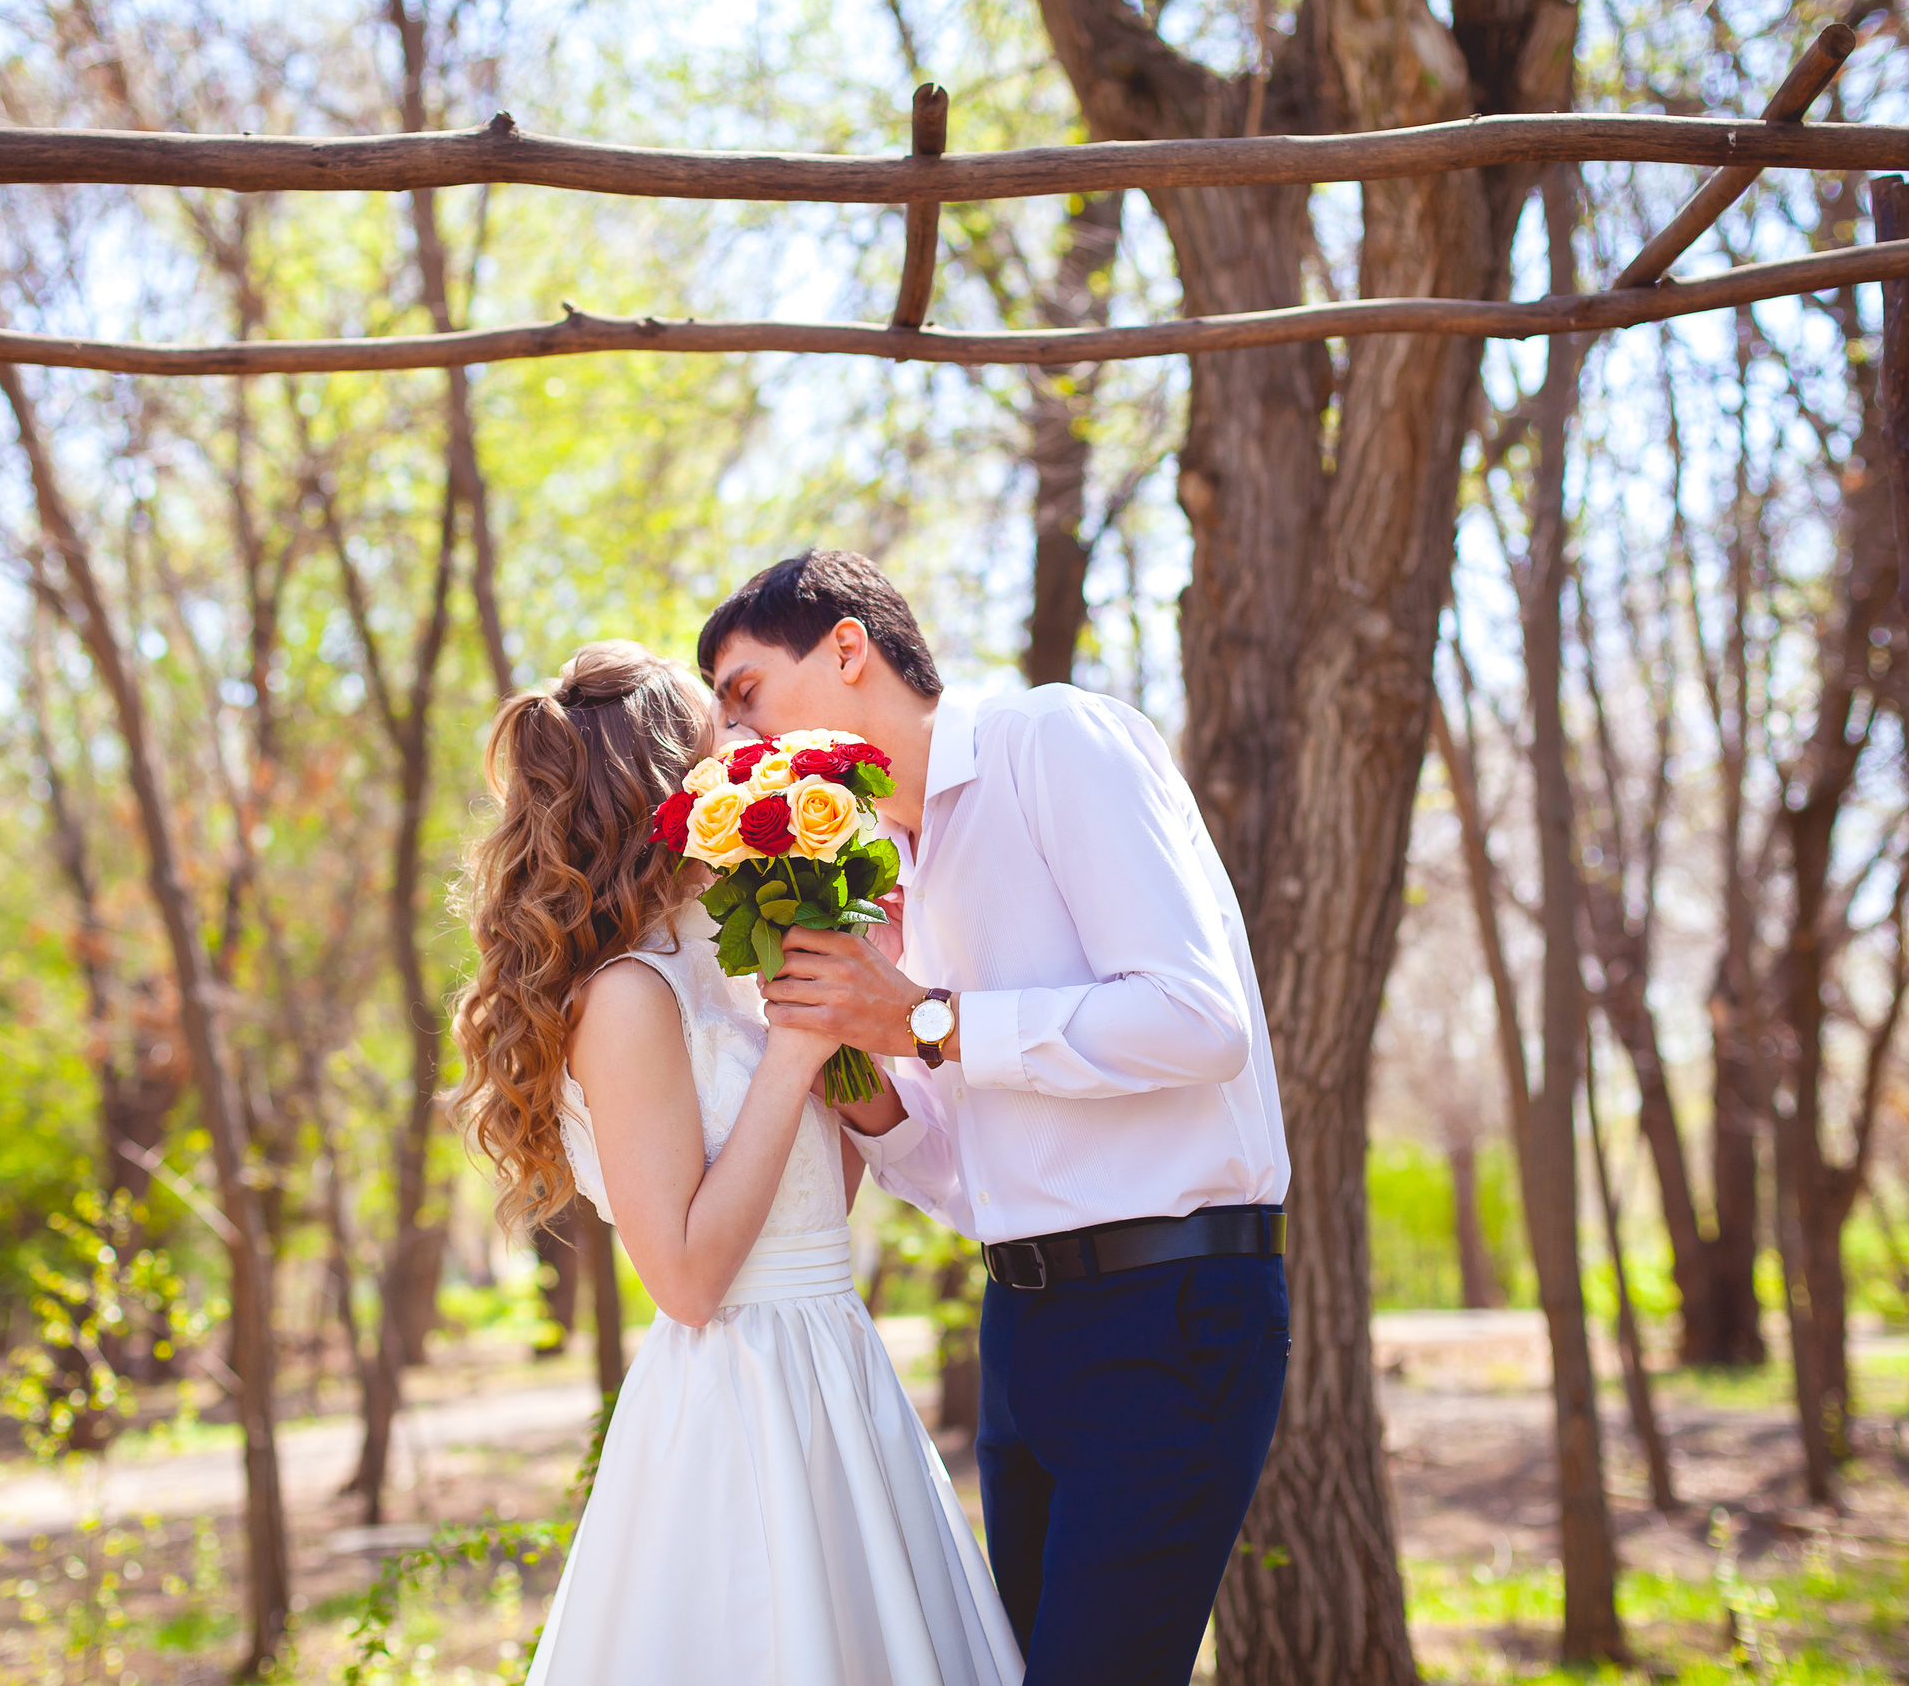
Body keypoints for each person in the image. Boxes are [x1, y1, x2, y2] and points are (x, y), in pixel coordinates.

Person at [704, 550, 1291, 1686]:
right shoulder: (898, 873)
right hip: (1024, 1331)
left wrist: (925, 1018)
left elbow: (1197, 1021)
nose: (733, 743)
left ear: (845, 647)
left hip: (1168, 1315)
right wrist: (862, 1070)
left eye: (744, 693)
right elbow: (970, 1171)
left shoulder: (1052, 742)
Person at [453, 639, 1022, 1686]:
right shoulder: (630, 995)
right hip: (738, 1397)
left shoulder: (736, 963)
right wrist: (794, 1057)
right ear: (671, 791)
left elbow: (815, 1201)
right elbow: (684, 1280)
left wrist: (852, 1016)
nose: (758, 758)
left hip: (838, 1371)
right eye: (730, 747)